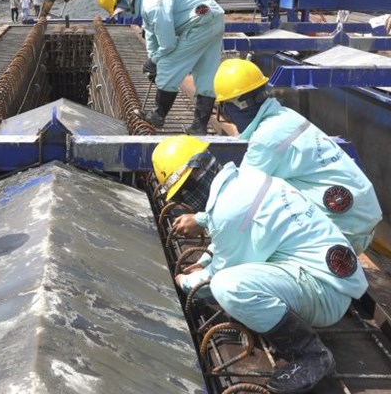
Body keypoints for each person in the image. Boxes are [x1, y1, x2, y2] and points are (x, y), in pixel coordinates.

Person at [152, 134, 367, 394]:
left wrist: (184, 282)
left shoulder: (229, 210)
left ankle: (311, 355)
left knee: (227, 286)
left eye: (182, 192)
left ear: (189, 186)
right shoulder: (246, 179)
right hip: (329, 278)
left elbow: (216, 276)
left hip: (323, 294)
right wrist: (206, 259)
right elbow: (233, 236)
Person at [171, 58, 380, 254]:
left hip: (345, 228)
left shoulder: (267, 138)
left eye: (224, 107)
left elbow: (241, 198)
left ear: (235, 106)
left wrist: (202, 221)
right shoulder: (285, 117)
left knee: (258, 235)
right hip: (359, 218)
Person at [97, 0, 225, 134]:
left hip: (201, 23)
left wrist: (156, 62)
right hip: (213, 18)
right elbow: (151, 33)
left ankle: (158, 115)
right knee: (206, 73)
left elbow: (168, 44)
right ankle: (199, 126)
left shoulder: (152, 7)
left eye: (120, 12)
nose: (123, 16)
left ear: (123, 2)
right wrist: (153, 60)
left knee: (168, 65)